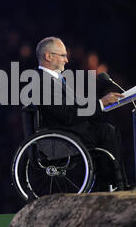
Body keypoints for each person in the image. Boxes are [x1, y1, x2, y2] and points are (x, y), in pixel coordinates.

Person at [34, 36, 129, 191]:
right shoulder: (41, 83)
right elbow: (67, 114)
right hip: (59, 138)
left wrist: (102, 105)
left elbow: (75, 108)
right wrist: (100, 104)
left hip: (69, 131)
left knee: (106, 130)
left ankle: (111, 185)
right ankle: (115, 186)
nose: (67, 60)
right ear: (48, 56)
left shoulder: (54, 80)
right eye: (63, 55)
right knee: (106, 132)